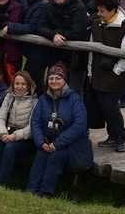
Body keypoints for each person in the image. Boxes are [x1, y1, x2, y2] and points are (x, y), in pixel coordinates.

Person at [27, 64, 87, 198]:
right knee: (41, 156)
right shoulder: (43, 99)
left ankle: (46, 193)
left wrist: (57, 144)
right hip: (47, 141)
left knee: (55, 157)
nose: (53, 81)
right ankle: (31, 191)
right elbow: (35, 122)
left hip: (69, 144)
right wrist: (41, 142)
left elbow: (79, 126)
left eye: (57, 78)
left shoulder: (74, 99)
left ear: (64, 80)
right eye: (51, 78)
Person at [89, 0, 125, 152]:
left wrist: (116, 71)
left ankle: (122, 136)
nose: (99, 14)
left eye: (102, 11)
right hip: (99, 73)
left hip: (116, 75)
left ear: (113, 10)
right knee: (103, 105)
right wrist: (90, 71)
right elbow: (92, 49)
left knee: (111, 106)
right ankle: (112, 135)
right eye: (98, 11)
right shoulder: (96, 25)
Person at [36, 0, 89, 93]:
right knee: (53, 90)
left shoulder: (79, 7)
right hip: (55, 56)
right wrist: (54, 35)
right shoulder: (49, 7)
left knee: (73, 92)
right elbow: (40, 27)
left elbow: (78, 33)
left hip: (76, 57)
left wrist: (57, 32)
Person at [0, 71, 39, 187]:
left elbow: (32, 127)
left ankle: (0, 182)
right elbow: (0, 118)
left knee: (10, 148)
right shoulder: (9, 97)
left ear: (29, 85)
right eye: (17, 84)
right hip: (8, 132)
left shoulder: (35, 102)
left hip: (25, 137)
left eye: (23, 84)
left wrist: (15, 136)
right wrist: (2, 133)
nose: (20, 87)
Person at [3, 0, 50, 93]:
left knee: (28, 81)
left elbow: (32, 27)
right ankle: (41, 105)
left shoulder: (42, 4)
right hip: (32, 51)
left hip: (38, 52)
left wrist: (11, 27)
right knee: (37, 83)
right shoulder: (29, 2)